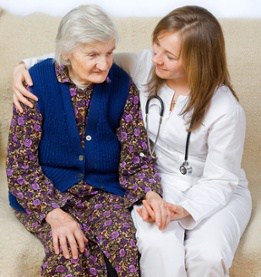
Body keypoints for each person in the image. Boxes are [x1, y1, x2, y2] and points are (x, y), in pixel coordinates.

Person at [11, 5, 252, 277]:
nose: (157, 58)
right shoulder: (143, 66)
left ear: (197, 61)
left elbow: (215, 177)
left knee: (205, 257)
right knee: (153, 245)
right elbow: (77, 52)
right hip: (154, 182)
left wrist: (174, 204)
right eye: (156, 47)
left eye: (169, 55)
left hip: (205, 186)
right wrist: (23, 66)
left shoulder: (225, 109)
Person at [6, 4, 164, 277]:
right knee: (70, 255)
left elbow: (135, 156)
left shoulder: (122, 85)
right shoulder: (36, 85)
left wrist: (149, 192)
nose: (104, 64)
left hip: (103, 192)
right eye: (92, 54)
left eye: (109, 53)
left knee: (123, 249)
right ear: (66, 53)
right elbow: (21, 167)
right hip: (50, 192)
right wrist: (53, 214)